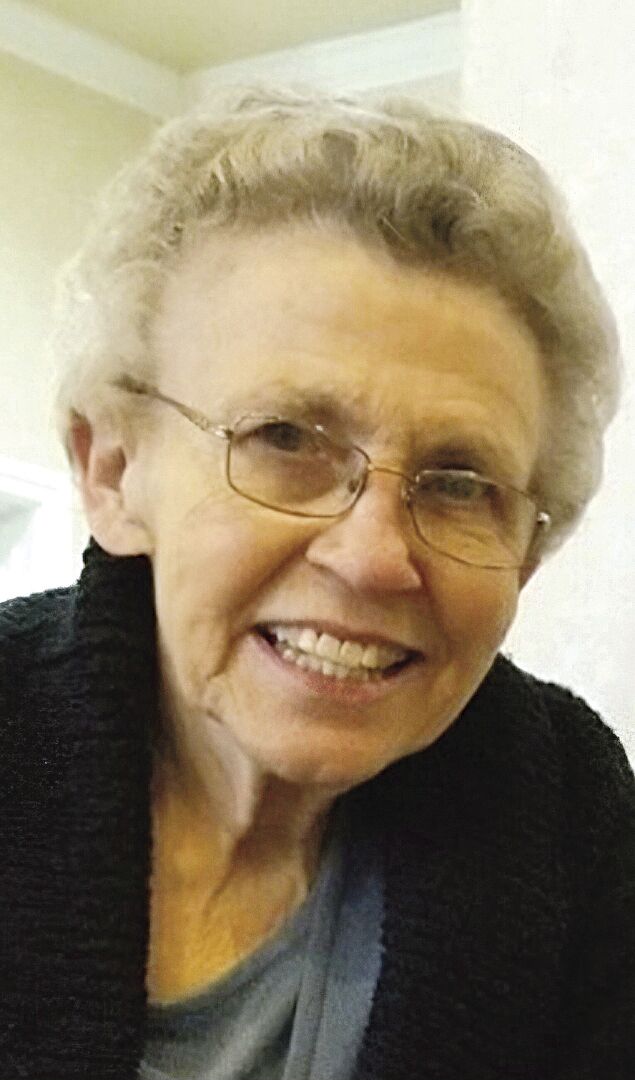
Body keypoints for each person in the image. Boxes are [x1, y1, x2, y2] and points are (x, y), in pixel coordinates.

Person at [1, 85, 633, 1080]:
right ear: (113, 472)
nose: (372, 557)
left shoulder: (567, 815)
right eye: (285, 439)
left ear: (525, 550)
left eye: (458, 483)